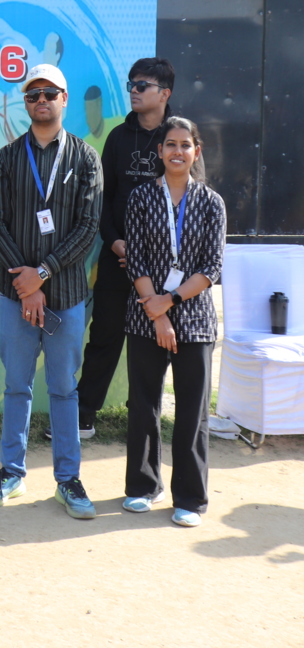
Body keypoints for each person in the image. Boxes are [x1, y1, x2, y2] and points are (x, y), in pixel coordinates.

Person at [0, 64, 103, 519]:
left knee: (64, 390)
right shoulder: (8, 157)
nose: (41, 101)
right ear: (26, 102)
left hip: (66, 296)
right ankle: (11, 472)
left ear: (64, 99)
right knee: (16, 386)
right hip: (18, 296)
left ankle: (68, 479)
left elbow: (88, 226)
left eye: (50, 93)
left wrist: (44, 274)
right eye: (33, 94)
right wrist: (27, 284)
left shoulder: (86, 158)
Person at [123, 117, 225, 527]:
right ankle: (143, 486)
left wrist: (170, 301)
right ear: (160, 151)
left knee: (193, 412)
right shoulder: (141, 197)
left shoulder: (212, 202)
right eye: (170, 144)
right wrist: (158, 312)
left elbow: (211, 267)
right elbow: (137, 260)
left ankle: (190, 498)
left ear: (196, 151)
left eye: (185, 144)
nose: (177, 151)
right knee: (143, 405)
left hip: (195, 319)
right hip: (145, 316)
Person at [72, 57, 178, 439]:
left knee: (152, 344)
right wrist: (116, 243)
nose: (133, 90)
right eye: (131, 84)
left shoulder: (178, 137)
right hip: (117, 257)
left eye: (142, 85)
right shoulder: (118, 137)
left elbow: (186, 201)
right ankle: (83, 415)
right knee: (104, 336)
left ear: (164, 93)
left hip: (162, 267)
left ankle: (143, 417)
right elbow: (102, 199)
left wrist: (149, 256)